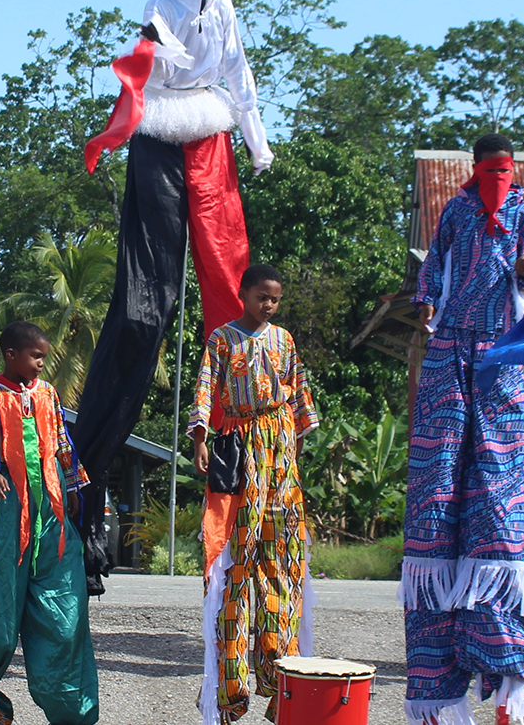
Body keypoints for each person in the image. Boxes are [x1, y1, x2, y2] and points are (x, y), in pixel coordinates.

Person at [76, 0, 269, 596]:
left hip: (211, 135)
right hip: (159, 136)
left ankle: (241, 482)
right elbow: (143, 64)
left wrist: (257, 140)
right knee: (143, 312)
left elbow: (238, 72)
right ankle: (86, 485)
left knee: (232, 300)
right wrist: (115, 125)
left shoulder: (227, 11)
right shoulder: (162, 6)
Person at [403, 134, 524, 725]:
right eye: (489, 170)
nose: (497, 180)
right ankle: (436, 681)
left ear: (514, 172)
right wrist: (427, 301)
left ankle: (499, 659)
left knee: (498, 499)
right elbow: (434, 263)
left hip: (500, 350)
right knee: (435, 492)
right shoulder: (457, 210)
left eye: (504, 172)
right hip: (448, 350)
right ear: (475, 169)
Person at [191, 264, 318, 724]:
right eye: (262, 296)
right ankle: (230, 688)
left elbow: (299, 393)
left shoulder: (284, 339)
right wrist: (200, 438)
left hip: (280, 445)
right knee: (236, 559)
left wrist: (295, 444)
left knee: (281, 556)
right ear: (243, 294)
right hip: (241, 444)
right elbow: (206, 388)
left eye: (275, 299)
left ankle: (280, 678)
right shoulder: (222, 339)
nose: (269, 305)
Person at [0, 321, 98, 725]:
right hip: (5, 516)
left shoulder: (49, 394)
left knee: (63, 612)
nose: (42, 363)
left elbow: (61, 442)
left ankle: (72, 711)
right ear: (11, 355)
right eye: (36, 356)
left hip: (51, 517)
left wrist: (72, 486)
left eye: (44, 356)